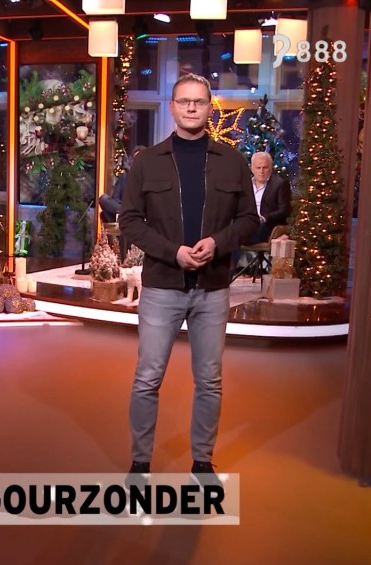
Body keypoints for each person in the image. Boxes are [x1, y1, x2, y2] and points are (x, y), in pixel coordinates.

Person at [118, 74, 259, 486]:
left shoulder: (232, 161)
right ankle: (140, 464)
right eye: (184, 101)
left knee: (209, 381)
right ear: (173, 107)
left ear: (210, 107)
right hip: (162, 286)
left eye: (199, 101)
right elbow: (129, 221)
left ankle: (202, 463)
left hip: (212, 289)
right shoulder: (147, 162)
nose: (192, 107)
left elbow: (249, 219)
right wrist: (173, 252)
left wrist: (217, 243)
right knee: (147, 378)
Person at [248, 151, 292, 243]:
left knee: (237, 237)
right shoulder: (246, 184)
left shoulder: (280, 184)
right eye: (258, 168)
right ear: (252, 168)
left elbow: (284, 210)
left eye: (265, 168)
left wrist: (264, 218)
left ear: (271, 168)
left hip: (267, 224)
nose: (261, 171)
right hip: (247, 221)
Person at [99, 145, 146, 223]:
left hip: (139, 212)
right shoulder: (124, 177)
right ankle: (126, 215)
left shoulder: (150, 179)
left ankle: (126, 215)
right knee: (103, 199)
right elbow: (115, 200)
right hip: (123, 209)